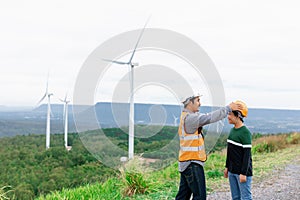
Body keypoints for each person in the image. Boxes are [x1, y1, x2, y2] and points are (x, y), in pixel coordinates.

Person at [175, 93, 242, 200]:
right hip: (192, 163)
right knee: (200, 197)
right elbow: (209, 117)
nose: (200, 104)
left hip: (186, 163)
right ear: (189, 103)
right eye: (197, 101)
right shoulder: (190, 119)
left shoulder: (186, 117)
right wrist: (228, 108)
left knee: (183, 196)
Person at [224, 100, 253, 200]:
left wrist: (243, 173)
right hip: (232, 171)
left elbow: (247, 156)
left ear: (238, 115)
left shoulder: (245, 132)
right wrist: (227, 167)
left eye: (230, 114)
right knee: (235, 197)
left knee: (245, 197)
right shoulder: (232, 130)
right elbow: (230, 152)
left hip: (242, 172)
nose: (228, 117)